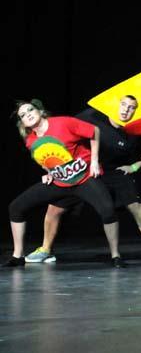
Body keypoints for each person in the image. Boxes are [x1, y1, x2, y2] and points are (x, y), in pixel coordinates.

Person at [26, 95, 141, 264]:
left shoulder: (135, 130)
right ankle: (46, 250)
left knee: (135, 205)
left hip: (114, 172)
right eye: (123, 104)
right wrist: (53, 169)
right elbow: (62, 131)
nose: (126, 110)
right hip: (85, 169)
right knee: (55, 208)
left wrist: (135, 166)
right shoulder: (92, 116)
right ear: (115, 104)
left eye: (131, 107)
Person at [6, 99, 124, 267]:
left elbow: (94, 131)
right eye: (23, 115)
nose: (28, 115)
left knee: (108, 210)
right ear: (22, 123)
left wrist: (95, 161)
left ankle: (116, 256)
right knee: (16, 207)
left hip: (84, 179)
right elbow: (45, 157)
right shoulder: (30, 141)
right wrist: (48, 173)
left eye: (31, 110)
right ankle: (18, 256)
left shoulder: (63, 123)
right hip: (60, 183)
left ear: (40, 111)